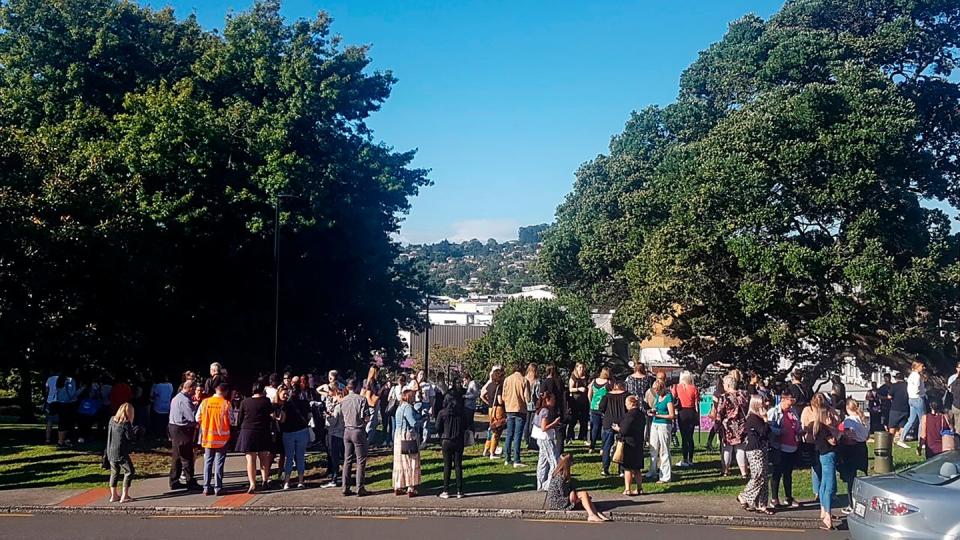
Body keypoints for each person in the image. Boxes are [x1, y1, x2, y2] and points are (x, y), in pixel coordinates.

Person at [544, 453, 610, 522]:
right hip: (558, 502)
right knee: (583, 494)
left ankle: (596, 513)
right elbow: (563, 493)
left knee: (585, 497)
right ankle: (592, 515)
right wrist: (573, 494)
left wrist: (573, 492)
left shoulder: (564, 475)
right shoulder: (560, 477)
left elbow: (571, 487)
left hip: (562, 499)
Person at [809, 393, 841, 530]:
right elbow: (833, 441)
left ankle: (823, 509)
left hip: (822, 455)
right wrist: (838, 432)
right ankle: (827, 514)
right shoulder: (824, 428)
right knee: (829, 485)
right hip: (829, 455)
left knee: (822, 485)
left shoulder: (814, 426)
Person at [767, 387, 800, 508]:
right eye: (790, 400)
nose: (792, 402)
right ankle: (774, 498)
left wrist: (799, 430)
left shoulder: (793, 411)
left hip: (792, 445)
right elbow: (768, 428)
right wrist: (780, 431)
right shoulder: (774, 412)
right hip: (779, 447)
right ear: (783, 399)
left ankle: (788, 497)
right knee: (777, 473)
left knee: (788, 473)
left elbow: (797, 424)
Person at [739, 395, 773, 514]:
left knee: (764, 476)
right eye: (762, 403)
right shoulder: (753, 418)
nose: (765, 405)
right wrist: (765, 419)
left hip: (762, 448)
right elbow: (763, 431)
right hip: (754, 450)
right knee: (758, 475)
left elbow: (768, 432)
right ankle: (744, 496)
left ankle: (761, 503)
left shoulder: (759, 418)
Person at [197, 383, 231, 496]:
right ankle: (218, 487)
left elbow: (197, 417)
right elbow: (232, 420)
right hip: (222, 439)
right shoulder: (226, 404)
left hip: (208, 437)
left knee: (208, 462)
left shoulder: (205, 402)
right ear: (225, 392)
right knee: (219, 463)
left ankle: (206, 487)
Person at [838, 398, 869, 515]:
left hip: (852, 449)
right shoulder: (863, 419)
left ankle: (851, 504)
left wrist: (843, 437)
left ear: (847, 408)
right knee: (861, 476)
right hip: (862, 448)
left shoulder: (849, 421)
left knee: (851, 478)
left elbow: (849, 435)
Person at [341, 379, 371, 496]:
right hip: (358, 430)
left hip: (347, 430)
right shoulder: (362, 399)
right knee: (360, 460)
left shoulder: (343, 400)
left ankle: (345, 487)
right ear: (357, 387)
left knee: (347, 460)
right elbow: (366, 417)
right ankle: (360, 487)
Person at [168, 380, 200, 491]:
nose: (195, 392)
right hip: (182, 430)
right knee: (187, 456)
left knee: (177, 456)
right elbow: (192, 417)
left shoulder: (176, 398)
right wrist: (197, 410)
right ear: (190, 388)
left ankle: (174, 480)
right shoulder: (185, 400)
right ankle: (190, 481)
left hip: (174, 427)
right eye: (194, 389)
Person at [106, 403, 140, 503]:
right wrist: (135, 430)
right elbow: (130, 437)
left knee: (114, 472)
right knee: (129, 471)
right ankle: (124, 495)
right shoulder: (126, 423)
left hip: (110, 450)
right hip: (121, 451)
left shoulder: (112, 420)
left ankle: (113, 495)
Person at [278, 383, 311, 490]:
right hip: (302, 431)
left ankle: (287, 482)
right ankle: (301, 481)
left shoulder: (286, 404)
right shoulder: (305, 403)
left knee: (289, 457)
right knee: (300, 457)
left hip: (288, 432)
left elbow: (282, 419)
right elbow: (309, 417)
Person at [716, 375, 749, 478]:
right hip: (741, 425)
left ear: (728, 385)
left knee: (727, 448)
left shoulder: (724, 397)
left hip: (728, 426)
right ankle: (744, 472)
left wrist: (717, 424)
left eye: (724, 384)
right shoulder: (743, 395)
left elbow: (720, 412)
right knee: (740, 449)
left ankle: (725, 470)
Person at [436, 393, 466, 498]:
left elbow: (437, 427)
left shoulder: (442, 413)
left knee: (447, 466)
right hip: (458, 440)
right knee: (458, 465)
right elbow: (465, 425)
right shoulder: (460, 413)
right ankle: (459, 490)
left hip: (446, 440)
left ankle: (446, 490)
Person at [393, 386, 421, 496]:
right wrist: (422, 420)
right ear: (409, 397)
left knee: (400, 462)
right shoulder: (408, 407)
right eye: (413, 396)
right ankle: (411, 487)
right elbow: (412, 423)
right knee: (411, 461)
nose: (414, 398)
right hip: (407, 436)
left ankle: (398, 485)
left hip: (398, 436)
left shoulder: (399, 407)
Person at [614, 395, 645, 496]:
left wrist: (618, 429)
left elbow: (624, 430)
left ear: (631, 403)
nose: (625, 405)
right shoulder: (641, 414)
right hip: (639, 442)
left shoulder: (629, 415)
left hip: (629, 443)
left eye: (626, 403)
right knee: (637, 469)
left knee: (627, 468)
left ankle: (627, 489)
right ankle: (640, 488)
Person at [502, 363, 531, 467]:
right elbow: (526, 398)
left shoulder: (507, 379)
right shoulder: (524, 380)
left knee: (509, 434)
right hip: (520, 409)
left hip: (509, 408)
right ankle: (517, 459)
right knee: (518, 435)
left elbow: (503, 396)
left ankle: (507, 458)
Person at [646, 379, 675, 483]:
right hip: (655, 423)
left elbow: (672, 415)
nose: (656, 392)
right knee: (653, 447)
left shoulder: (668, 397)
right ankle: (652, 470)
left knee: (664, 450)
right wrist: (653, 411)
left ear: (663, 388)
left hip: (664, 424)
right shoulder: (658, 397)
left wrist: (657, 415)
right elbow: (656, 407)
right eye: (655, 390)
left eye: (658, 390)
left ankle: (665, 476)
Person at [533, 390, 561, 491]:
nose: (554, 401)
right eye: (553, 399)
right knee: (554, 461)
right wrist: (555, 423)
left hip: (539, 438)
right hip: (545, 438)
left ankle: (540, 484)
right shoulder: (545, 411)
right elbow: (544, 427)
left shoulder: (539, 410)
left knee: (543, 461)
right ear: (548, 400)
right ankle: (548, 484)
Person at [598, 381, 627, 476]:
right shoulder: (626, 395)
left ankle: (605, 468)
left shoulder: (607, 396)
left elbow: (601, 408)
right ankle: (622, 469)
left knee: (607, 446)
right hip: (622, 422)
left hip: (609, 422)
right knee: (622, 446)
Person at [672, 370, 700, 468]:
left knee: (684, 437)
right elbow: (697, 404)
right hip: (691, 412)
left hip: (682, 412)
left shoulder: (677, 387)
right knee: (690, 437)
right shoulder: (694, 388)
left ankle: (684, 459)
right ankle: (691, 459)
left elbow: (673, 399)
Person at [540, 365, 569, 453]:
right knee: (559, 432)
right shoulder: (560, 381)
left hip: (549, 408)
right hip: (560, 408)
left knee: (548, 431)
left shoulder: (545, 382)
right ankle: (559, 452)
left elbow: (541, 395)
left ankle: (549, 451)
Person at [899, 361, 926, 447]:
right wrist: (920, 393)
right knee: (922, 420)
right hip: (918, 398)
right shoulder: (917, 376)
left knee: (911, 420)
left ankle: (901, 439)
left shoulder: (911, 376)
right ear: (917, 367)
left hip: (911, 398)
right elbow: (917, 388)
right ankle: (921, 441)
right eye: (922, 366)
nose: (923, 368)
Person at [322, 385, 345, 488]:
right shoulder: (344, 405)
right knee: (342, 456)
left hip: (335, 433)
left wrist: (327, 416)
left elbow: (334, 422)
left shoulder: (338, 406)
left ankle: (334, 478)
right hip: (342, 433)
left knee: (334, 456)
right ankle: (342, 477)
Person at [587, 367, 611, 452]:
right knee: (604, 428)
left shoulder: (593, 381)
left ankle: (592, 446)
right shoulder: (608, 383)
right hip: (604, 408)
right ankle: (602, 448)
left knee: (595, 428)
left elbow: (589, 394)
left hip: (594, 407)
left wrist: (591, 403)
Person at [567, 363, 589, 442]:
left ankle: (582, 436)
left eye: (583, 367)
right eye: (580, 367)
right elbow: (570, 389)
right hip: (575, 400)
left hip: (584, 400)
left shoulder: (586, 377)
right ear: (576, 368)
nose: (582, 369)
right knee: (573, 419)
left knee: (584, 420)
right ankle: (570, 436)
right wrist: (578, 389)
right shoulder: (573, 377)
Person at [887, 372, 910, 446]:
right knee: (902, 425)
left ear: (896, 378)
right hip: (905, 407)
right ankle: (900, 439)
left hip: (895, 408)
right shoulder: (908, 385)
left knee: (892, 425)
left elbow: (889, 396)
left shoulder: (894, 386)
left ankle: (890, 441)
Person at [150, 374, 174, 441]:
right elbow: (171, 395)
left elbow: (152, 395)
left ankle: (158, 436)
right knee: (165, 422)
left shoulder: (157, 386)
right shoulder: (170, 385)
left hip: (158, 406)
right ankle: (165, 435)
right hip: (167, 406)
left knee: (158, 422)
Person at [483, 391, 506, 459]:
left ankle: (486, 449)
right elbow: (500, 401)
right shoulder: (499, 387)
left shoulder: (489, 385)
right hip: (498, 409)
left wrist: (488, 402)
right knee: (496, 431)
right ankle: (492, 452)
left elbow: (482, 395)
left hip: (491, 408)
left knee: (491, 429)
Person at [523, 363, 541, 450]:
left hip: (525, 404)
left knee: (526, 423)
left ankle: (526, 439)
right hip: (534, 405)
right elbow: (538, 395)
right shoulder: (537, 382)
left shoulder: (524, 379)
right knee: (532, 424)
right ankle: (531, 442)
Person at [946, 362, 960, 435]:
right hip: (953, 402)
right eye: (959, 367)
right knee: (952, 421)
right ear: (956, 368)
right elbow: (950, 390)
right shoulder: (952, 378)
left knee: (958, 425)